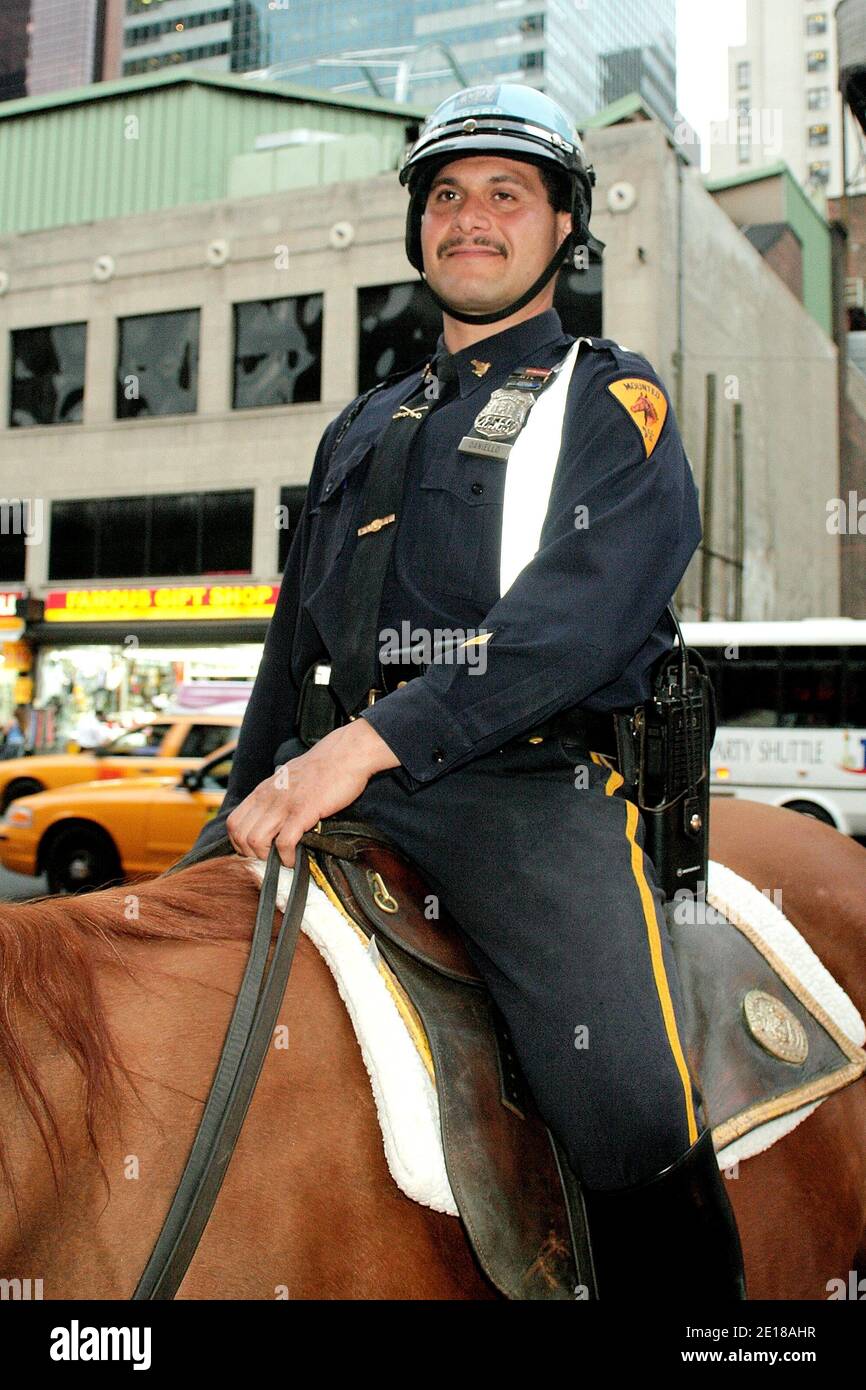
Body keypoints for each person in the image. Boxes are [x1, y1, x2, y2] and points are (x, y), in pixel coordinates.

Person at [187, 84, 746, 1300]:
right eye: (446, 195)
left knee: (627, 1099)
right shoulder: (360, 425)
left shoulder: (609, 399)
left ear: (562, 230)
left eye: (507, 194)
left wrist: (375, 742)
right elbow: (294, 647)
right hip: (333, 777)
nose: (470, 218)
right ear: (418, 230)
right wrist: (245, 796)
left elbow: (571, 624)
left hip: (517, 790)